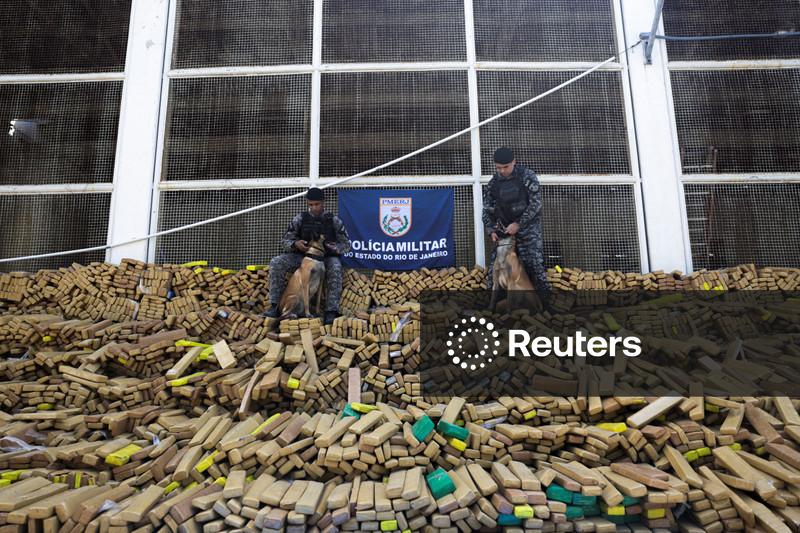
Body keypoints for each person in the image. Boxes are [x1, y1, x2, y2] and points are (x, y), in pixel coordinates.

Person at [263, 187, 351, 324]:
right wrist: (295, 244)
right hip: (303, 257)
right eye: (310, 205)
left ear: (324, 202)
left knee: (335, 266)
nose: (314, 208)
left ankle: (330, 311)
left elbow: (346, 245)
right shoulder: (300, 219)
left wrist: (334, 248)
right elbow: (285, 241)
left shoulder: (334, 221)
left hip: (325, 258)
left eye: (317, 204)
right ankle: (275, 306)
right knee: (276, 262)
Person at [482, 146, 552, 308]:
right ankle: (493, 309)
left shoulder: (527, 177)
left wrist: (519, 224)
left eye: (505, 167)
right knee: (494, 272)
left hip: (528, 229)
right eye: (498, 167)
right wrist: (491, 229)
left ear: (514, 162)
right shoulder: (493, 184)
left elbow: (536, 205)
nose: (502, 171)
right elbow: (486, 210)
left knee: (534, 265)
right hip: (504, 234)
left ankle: (546, 307)